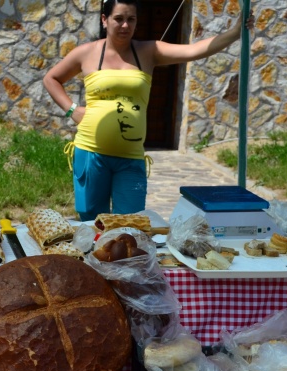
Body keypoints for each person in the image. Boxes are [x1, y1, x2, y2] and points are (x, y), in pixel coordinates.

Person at [43, 0, 250, 220]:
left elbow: (194, 50)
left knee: (130, 225)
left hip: (130, 159)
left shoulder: (149, 51)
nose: (125, 25)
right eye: (118, 19)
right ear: (105, 20)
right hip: (90, 153)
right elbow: (51, 78)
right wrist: (72, 110)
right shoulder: (86, 53)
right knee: (91, 223)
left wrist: (235, 32)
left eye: (131, 19)